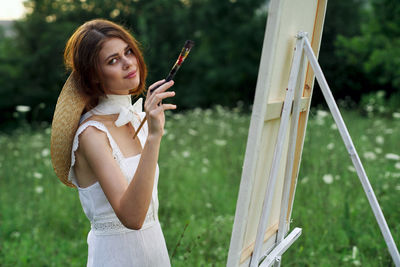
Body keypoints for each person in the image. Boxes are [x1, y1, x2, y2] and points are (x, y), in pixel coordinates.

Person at [50, 19, 175, 266]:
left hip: (155, 253)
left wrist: (149, 131)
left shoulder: (137, 118)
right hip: (116, 258)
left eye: (128, 51)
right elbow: (133, 218)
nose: (128, 62)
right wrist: (153, 137)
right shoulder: (91, 135)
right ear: (94, 77)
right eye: (113, 60)